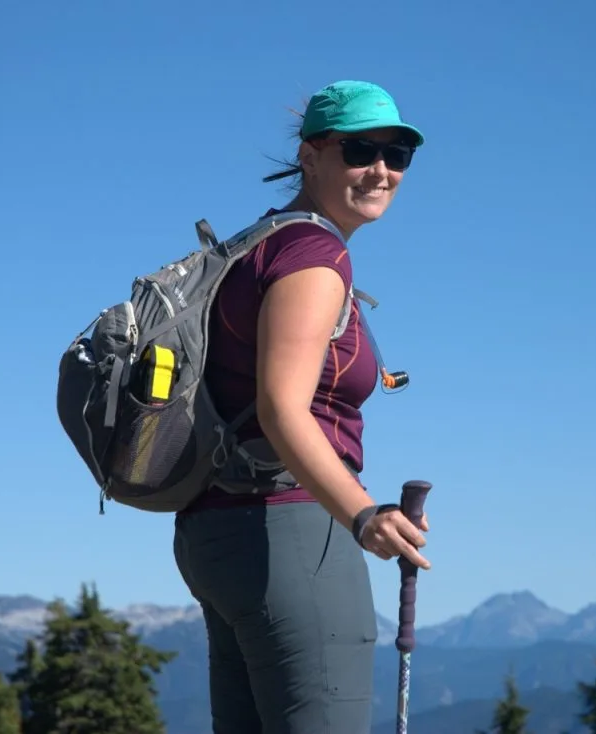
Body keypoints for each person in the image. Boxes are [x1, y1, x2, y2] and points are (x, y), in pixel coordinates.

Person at [171, 80, 431, 734]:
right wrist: (362, 512)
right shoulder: (314, 257)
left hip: (215, 533)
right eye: (359, 150)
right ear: (310, 156)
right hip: (292, 534)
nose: (381, 169)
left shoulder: (253, 247)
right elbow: (282, 407)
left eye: (398, 153)